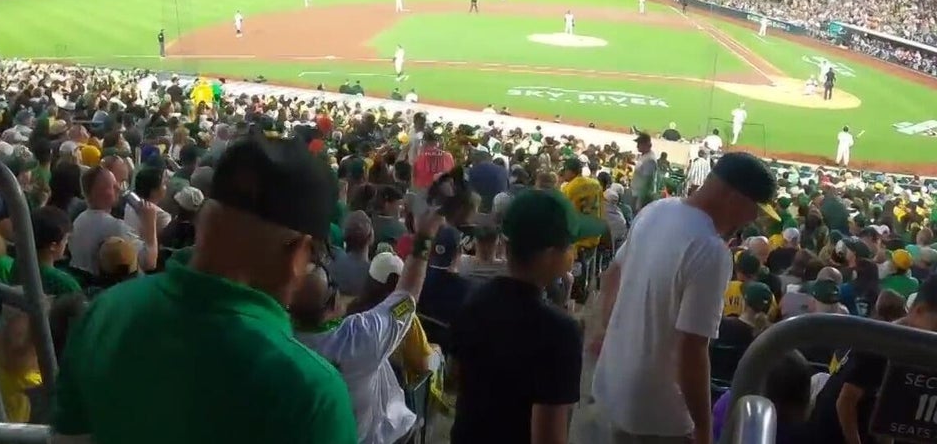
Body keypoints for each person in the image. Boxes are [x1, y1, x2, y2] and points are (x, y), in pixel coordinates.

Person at [54, 135, 357, 443]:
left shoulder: (103, 313)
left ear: (205, 220)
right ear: (298, 253)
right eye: (314, 255)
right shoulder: (312, 393)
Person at [593, 152, 779, 444]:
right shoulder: (711, 250)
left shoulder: (657, 210)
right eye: (755, 209)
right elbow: (691, 349)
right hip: (660, 413)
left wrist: (613, 331)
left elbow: (613, 274)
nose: (754, 219)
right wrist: (704, 429)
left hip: (617, 383)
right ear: (734, 198)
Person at [293, 206, 443, 444]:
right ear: (332, 302)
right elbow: (408, 298)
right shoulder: (362, 336)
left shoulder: (277, 340)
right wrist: (425, 236)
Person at [448, 190, 582, 444]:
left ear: (506, 245)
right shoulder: (559, 332)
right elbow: (549, 436)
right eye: (569, 246)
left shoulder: (472, 301)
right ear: (551, 254)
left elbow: (458, 380)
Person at [806, 276, 937, 444]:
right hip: (837, 430)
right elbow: (845, 402)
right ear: (920, 311)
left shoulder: (917, 346)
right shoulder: (882, 342)